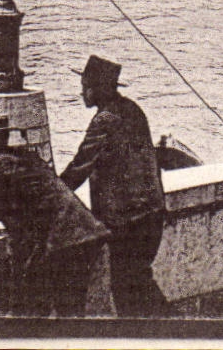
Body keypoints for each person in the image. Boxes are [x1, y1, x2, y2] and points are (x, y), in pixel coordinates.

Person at [0, 116, 110, 316]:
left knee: (30, 308)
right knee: (69, 313)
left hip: (59, 243)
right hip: (86, 236)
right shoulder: (30, 158)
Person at [60, 56, 168, 316]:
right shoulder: (132, 109)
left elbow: (80, 167)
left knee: (128, 290)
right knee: (139, 282)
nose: (82, 92)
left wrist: (52, 192)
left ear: (98, 88)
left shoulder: (105, 120)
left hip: (128, 222)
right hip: (151, 216)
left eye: (86, 86)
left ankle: (168, 331)